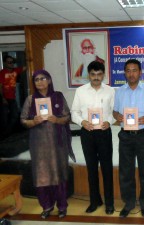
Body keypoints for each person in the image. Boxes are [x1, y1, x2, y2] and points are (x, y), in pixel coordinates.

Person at [20, 69, 75, 219]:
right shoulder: (30, 100)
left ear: (49, 80)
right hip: (38, 145)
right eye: (36, 80)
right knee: (41, 175)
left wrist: (57, 120)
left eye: (43, 78)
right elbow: (23, 120)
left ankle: (62, 207)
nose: (40, 82)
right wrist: (33, 121)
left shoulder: (58, 97)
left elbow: (67, 116)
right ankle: (47, 206)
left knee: (59, 174)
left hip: (58, 144)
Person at [113, 59, 144, 218]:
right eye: (128, 70)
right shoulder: (119, 91)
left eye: (134, 70)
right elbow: (115, 112)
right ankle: (129, 203)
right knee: (126, 172)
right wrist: (117, 116)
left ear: (140, 72)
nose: (131, 74)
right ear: (124, 73)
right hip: (125, 136)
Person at [71, 61, 115, 215]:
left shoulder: (110, 91)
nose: (96, 77)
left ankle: (110, 203)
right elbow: (74, 112)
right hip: (87, 133)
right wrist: (82, 122)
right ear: (88, 75)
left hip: (104, 133)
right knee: (91, 169)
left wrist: (109, 122)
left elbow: (114, 112)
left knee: (107, 168)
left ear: (103, 74)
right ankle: (94, 201)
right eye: (93, 74)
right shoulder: (81, 91)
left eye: (99, 74)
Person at [0, 55, 27, 136]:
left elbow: (27, 67)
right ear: (5, 63)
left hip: (12, 97)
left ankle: (7, 133)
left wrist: (28, 55)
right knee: (3, 117)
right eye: (9, 62)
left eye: (12, 62)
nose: (11, 64)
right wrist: (2, 98)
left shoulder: (16, 71)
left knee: (14, 115)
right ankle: (3, 133)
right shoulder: (2, 73)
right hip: (3, 97)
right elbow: (0, 86)